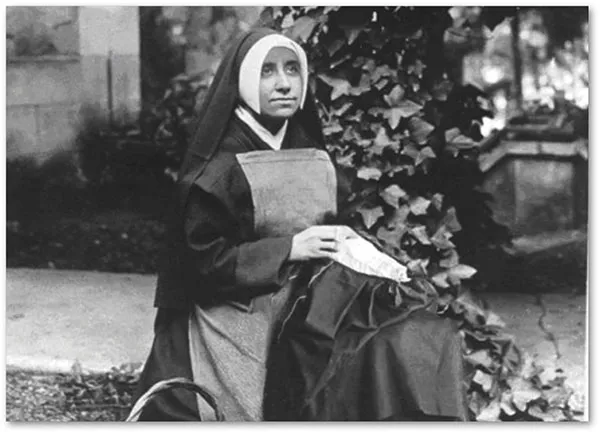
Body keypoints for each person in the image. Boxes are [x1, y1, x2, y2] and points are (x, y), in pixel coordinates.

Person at [134, 27, 468, 422]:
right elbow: (202, 263)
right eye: (267, 71)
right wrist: (289, 249)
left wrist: (344, 240)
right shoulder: (216, 171)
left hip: (311, 301)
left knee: (415, 335)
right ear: (242, 80)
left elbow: (320, 224)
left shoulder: (311, 151)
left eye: (292, 69)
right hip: (237, 316)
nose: (284, 84)